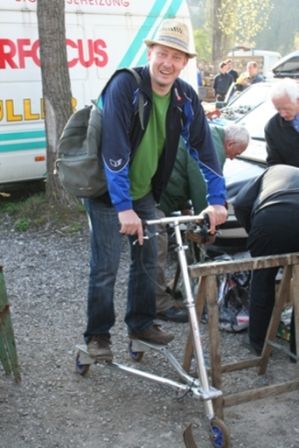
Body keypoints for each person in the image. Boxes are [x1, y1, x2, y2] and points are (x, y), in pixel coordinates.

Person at [83, 18, 228, 361]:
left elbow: (204, 150)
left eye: (176, 57)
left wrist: (217, 199)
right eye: (162, 53)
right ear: (150, 52)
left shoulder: (184, 95)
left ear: (184, 62)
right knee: (105, 267)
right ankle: (98, 336)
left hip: (144, 192)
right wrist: (123, 207)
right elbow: (114, 150)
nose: (168, 63)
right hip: (107, 193)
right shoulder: (125, 85)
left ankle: (141, 324)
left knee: (149, 260)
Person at [155, 124, 250, 322]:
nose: (233, 158)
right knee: (156, 252)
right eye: (236, 153)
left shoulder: (208, 135)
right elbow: (203, 185)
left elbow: (181, 168)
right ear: (230, 143)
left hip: (160, 196)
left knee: (156, 251)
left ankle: (163, 293)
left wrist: (185, 208)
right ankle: (158, 306)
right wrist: (209, 222)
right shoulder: (213, 146)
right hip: (156, 200)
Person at [233, 164, 298, 358]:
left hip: (270, 220)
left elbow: (241, 203)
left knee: (262, 281)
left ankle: (259, 344)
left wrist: (253, 230)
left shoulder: (271, 171)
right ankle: (296, 348)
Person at [265, 78, 299, 166]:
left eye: (286, 108)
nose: (282, 114)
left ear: (297, 101)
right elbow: (274, 163)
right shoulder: (272, 128)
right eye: (278, 109)